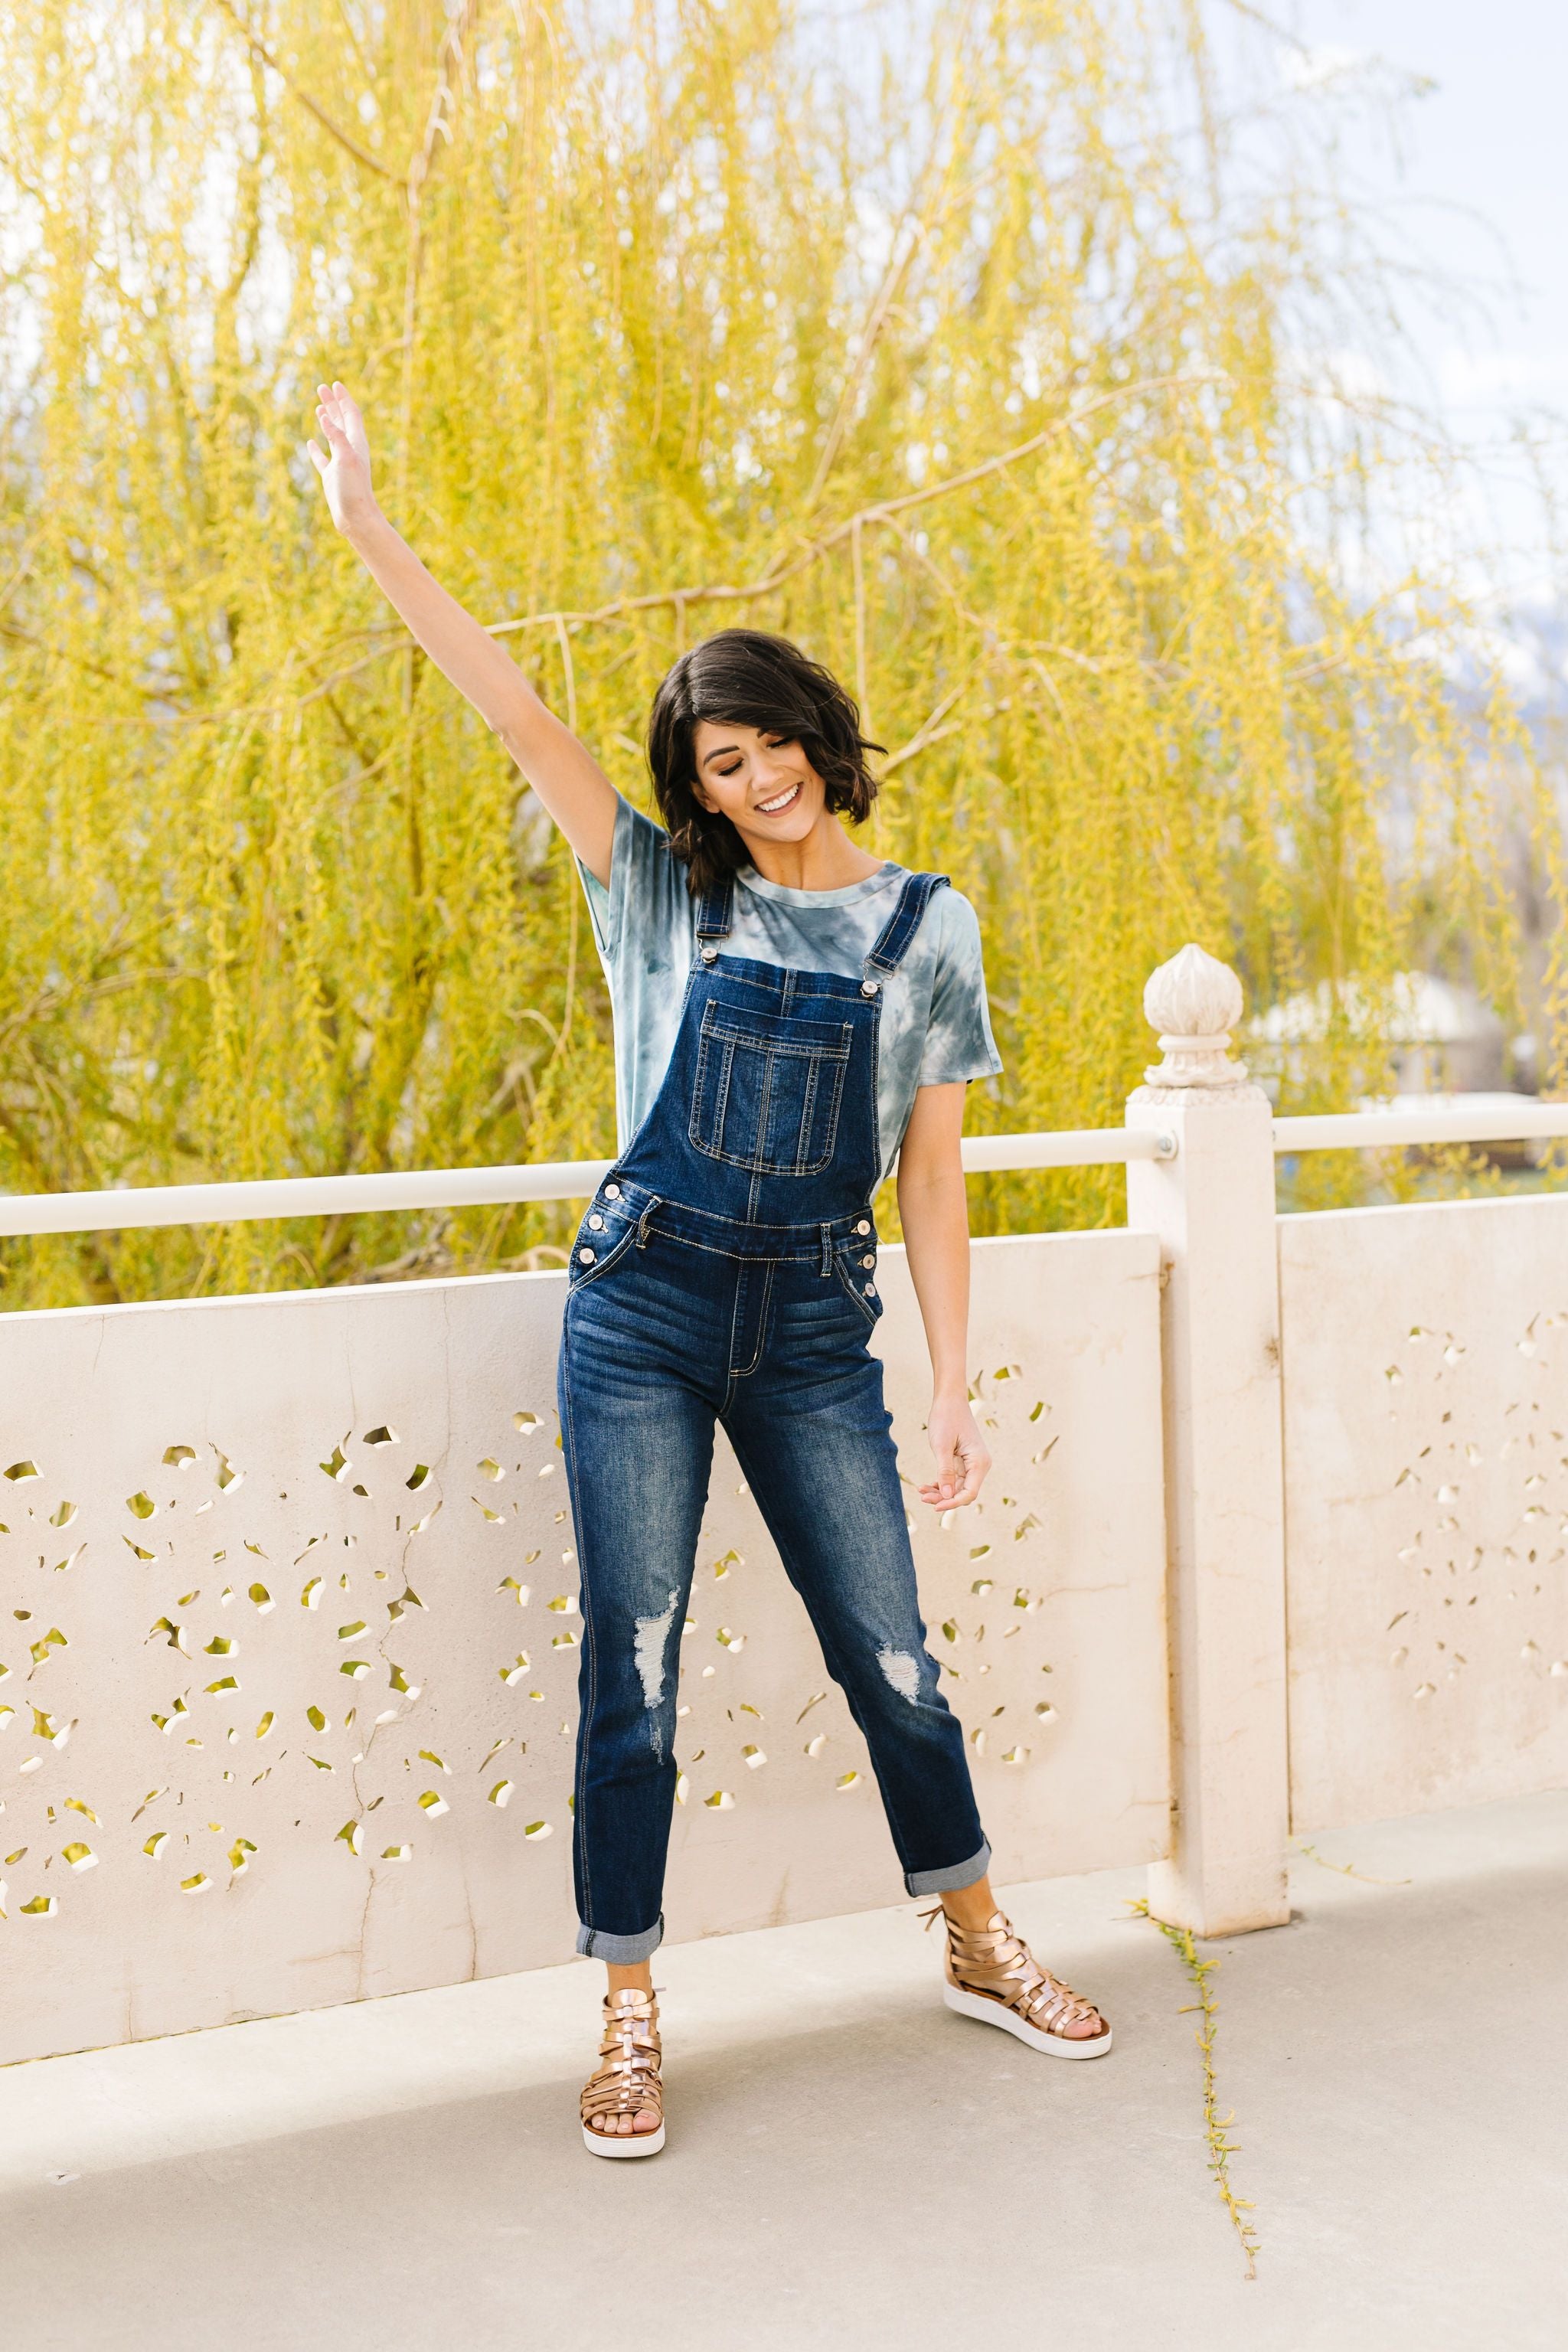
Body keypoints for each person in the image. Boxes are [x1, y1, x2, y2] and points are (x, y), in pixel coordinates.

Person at [308, 383, 1112, 2160]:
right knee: (637, 1668)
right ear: (695, 788)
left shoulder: (927, 925)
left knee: (895, 1655)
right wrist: (370, 526)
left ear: (818, 732)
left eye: (771, 745)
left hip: (818, 1327)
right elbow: (512, 705)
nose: (756, 783)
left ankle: (976, 1935)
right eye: (721, 767)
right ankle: (625, 2009)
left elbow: (930, 1172)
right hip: (644, 1313)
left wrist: (953, 1383)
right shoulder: (658, 896)